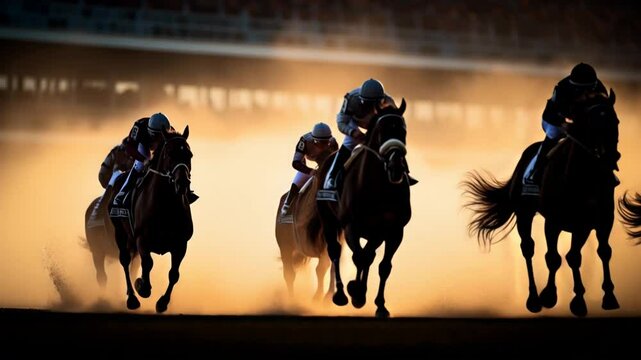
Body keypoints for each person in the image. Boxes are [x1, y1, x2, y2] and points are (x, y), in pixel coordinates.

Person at [524, 62, 620, 188]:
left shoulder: (599, 88)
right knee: (553, 134)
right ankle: (536, 169)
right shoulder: (562, 88)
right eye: (582, 90)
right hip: (554, 120)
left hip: (582, 122)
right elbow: (553, 113)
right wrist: (564, 123)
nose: (585, 92)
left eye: (588, 89)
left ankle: (609, 168)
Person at [323, 78, 416, 191]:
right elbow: (341, 122)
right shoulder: (351, 98)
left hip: (377, 125)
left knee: (391, 143)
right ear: (361, 100)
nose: (372, 107)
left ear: (382, 99)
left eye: (376, 104)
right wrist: (353, 132)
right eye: (369, 104)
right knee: (349, 142)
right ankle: (332, 176)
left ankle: (405, 171)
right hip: (355, 123)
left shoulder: (388, 101)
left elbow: (397, 121)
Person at [112, 112, 198, 207]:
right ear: (150, 132)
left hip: (163, 148)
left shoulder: (170, 131)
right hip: (144, 146)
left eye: (162, 136)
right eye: (157, 136)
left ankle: (186, 190)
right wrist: (144, 160)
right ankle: (123, 193)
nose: (159, 139)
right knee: (140, 165)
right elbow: (129, 148)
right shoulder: (139, 127)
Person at [280, 122, 338, 216]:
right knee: (297, 183)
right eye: (319, 143)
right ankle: (287, 205)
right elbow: (295, 163)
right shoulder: (304, 140)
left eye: (325, 143)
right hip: (306, 163)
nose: (323, 146)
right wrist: (311, 171)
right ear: (313, 140)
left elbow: (336, 160)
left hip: (326, 162)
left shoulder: (332, 142)